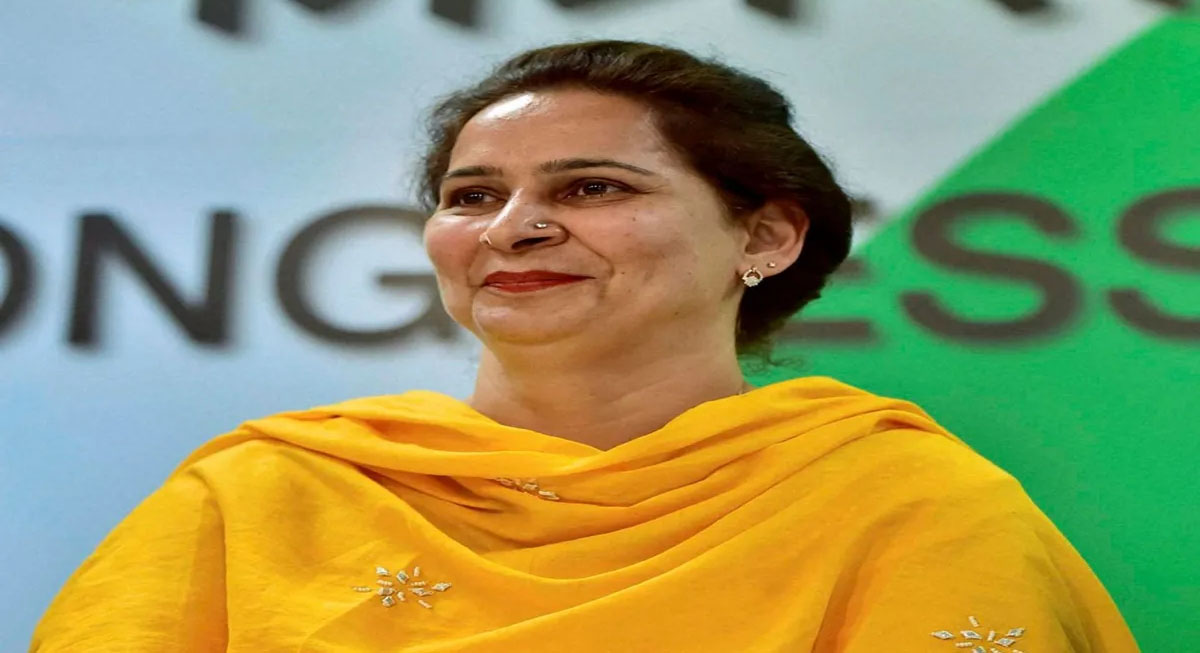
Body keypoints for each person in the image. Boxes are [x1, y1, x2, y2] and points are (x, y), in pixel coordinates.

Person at [30, 40, 1138, 652]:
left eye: (592, 187)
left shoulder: (910, 507)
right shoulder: (264, 496)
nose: (513, 227)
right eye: (473, 195)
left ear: (765, 233)